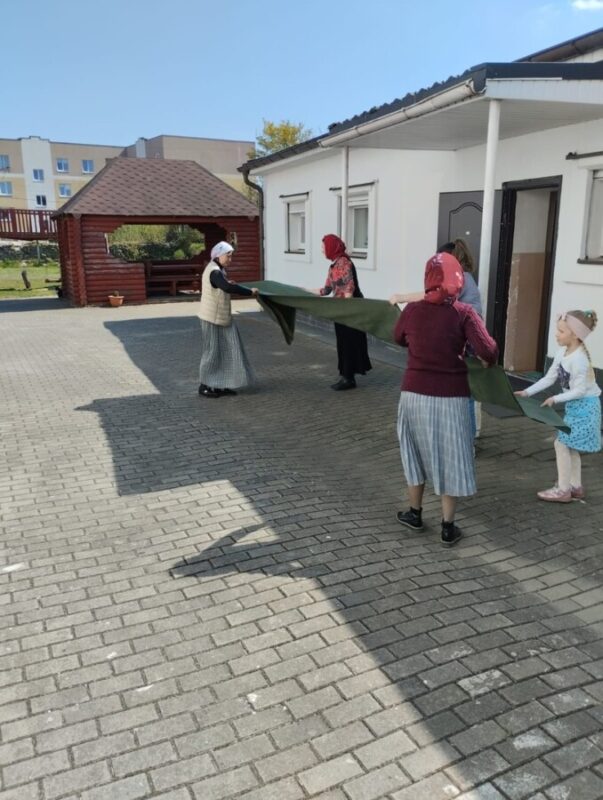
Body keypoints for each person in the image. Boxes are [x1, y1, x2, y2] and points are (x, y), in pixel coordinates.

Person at [391, 252, 498, 546]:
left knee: (413, 451)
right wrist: (485, 359)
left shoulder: (412, 310)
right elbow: (488, 349)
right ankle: (448, 527)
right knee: (450, 456)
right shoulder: (464, 312)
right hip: (451, 397)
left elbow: (398, 337)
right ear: (458, 279)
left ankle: (414, 513)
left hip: (413, 394)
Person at [514, 310, 600, 502]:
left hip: (586, 408)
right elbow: (549, 378)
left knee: (561, 444)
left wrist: (555, 399)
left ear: (575, 335)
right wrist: (527, 392)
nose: (556, 334)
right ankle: (575, 486)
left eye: (561, 331)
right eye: (557, 330)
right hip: (576, 406)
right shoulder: (563, 352)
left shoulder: (579, 360)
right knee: (569, 446)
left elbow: (579, 391)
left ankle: (563, 490)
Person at [197, 241, 258, 398]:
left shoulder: (218, 270)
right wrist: (250, 292)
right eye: (228, 256)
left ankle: (221, 384)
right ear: (218, 256)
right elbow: (227, 288)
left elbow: (223, 285)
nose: (230, 259)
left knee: (227, 350)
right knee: (212, 352)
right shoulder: (214, 271)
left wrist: (227, 283)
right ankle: (204, 386)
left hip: (222, 317)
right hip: (212, 318)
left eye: (231, 256)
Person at [312, 234, 372, 391]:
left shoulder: (344, 263)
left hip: (349, 310)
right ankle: (347, 376)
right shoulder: (334, 265)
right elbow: (326, 290)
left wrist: (347, 312)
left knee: (348, 343)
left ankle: (348, 378)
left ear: (332, 247)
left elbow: (348, 290)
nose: (322, 250)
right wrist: (303, 291)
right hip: (341, 310)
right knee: (344, 343)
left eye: (323, 246)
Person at [438, 239, 483, 438]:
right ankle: (465, 435)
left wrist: (401, 297)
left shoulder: (461, 279)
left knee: (465, 395)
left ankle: (467, 440)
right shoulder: (465, 278)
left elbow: (435, 297)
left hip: (468, 344)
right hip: (466, 341)